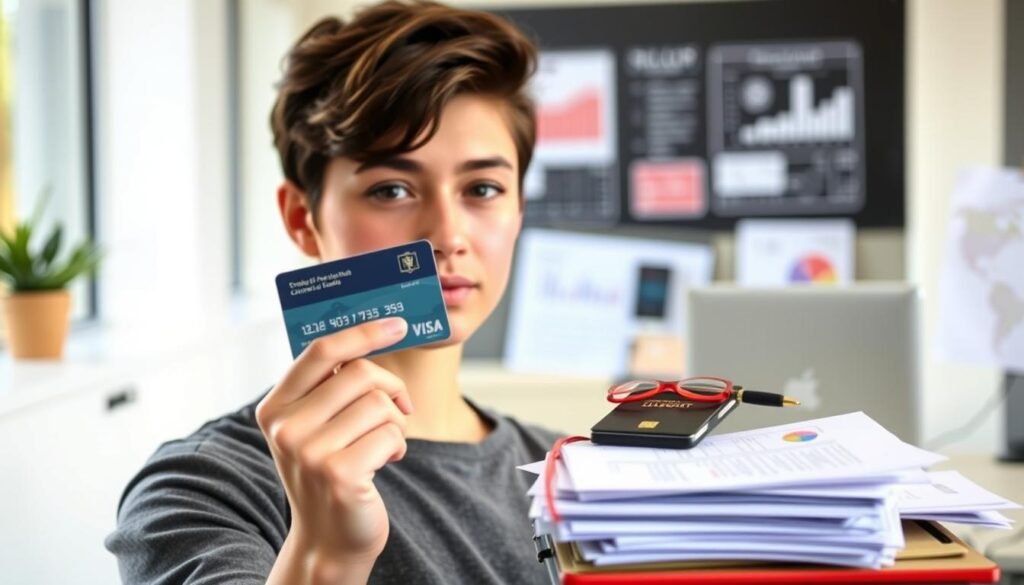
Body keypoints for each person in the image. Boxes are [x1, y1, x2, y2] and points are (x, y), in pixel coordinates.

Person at [105, 2, 560, 583]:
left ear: (519, 209)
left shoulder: (568, 470)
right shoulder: (205, 488)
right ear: (302, 217)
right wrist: (326, 555)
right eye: (392, 189)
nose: (448, 236)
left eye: (484, 188)